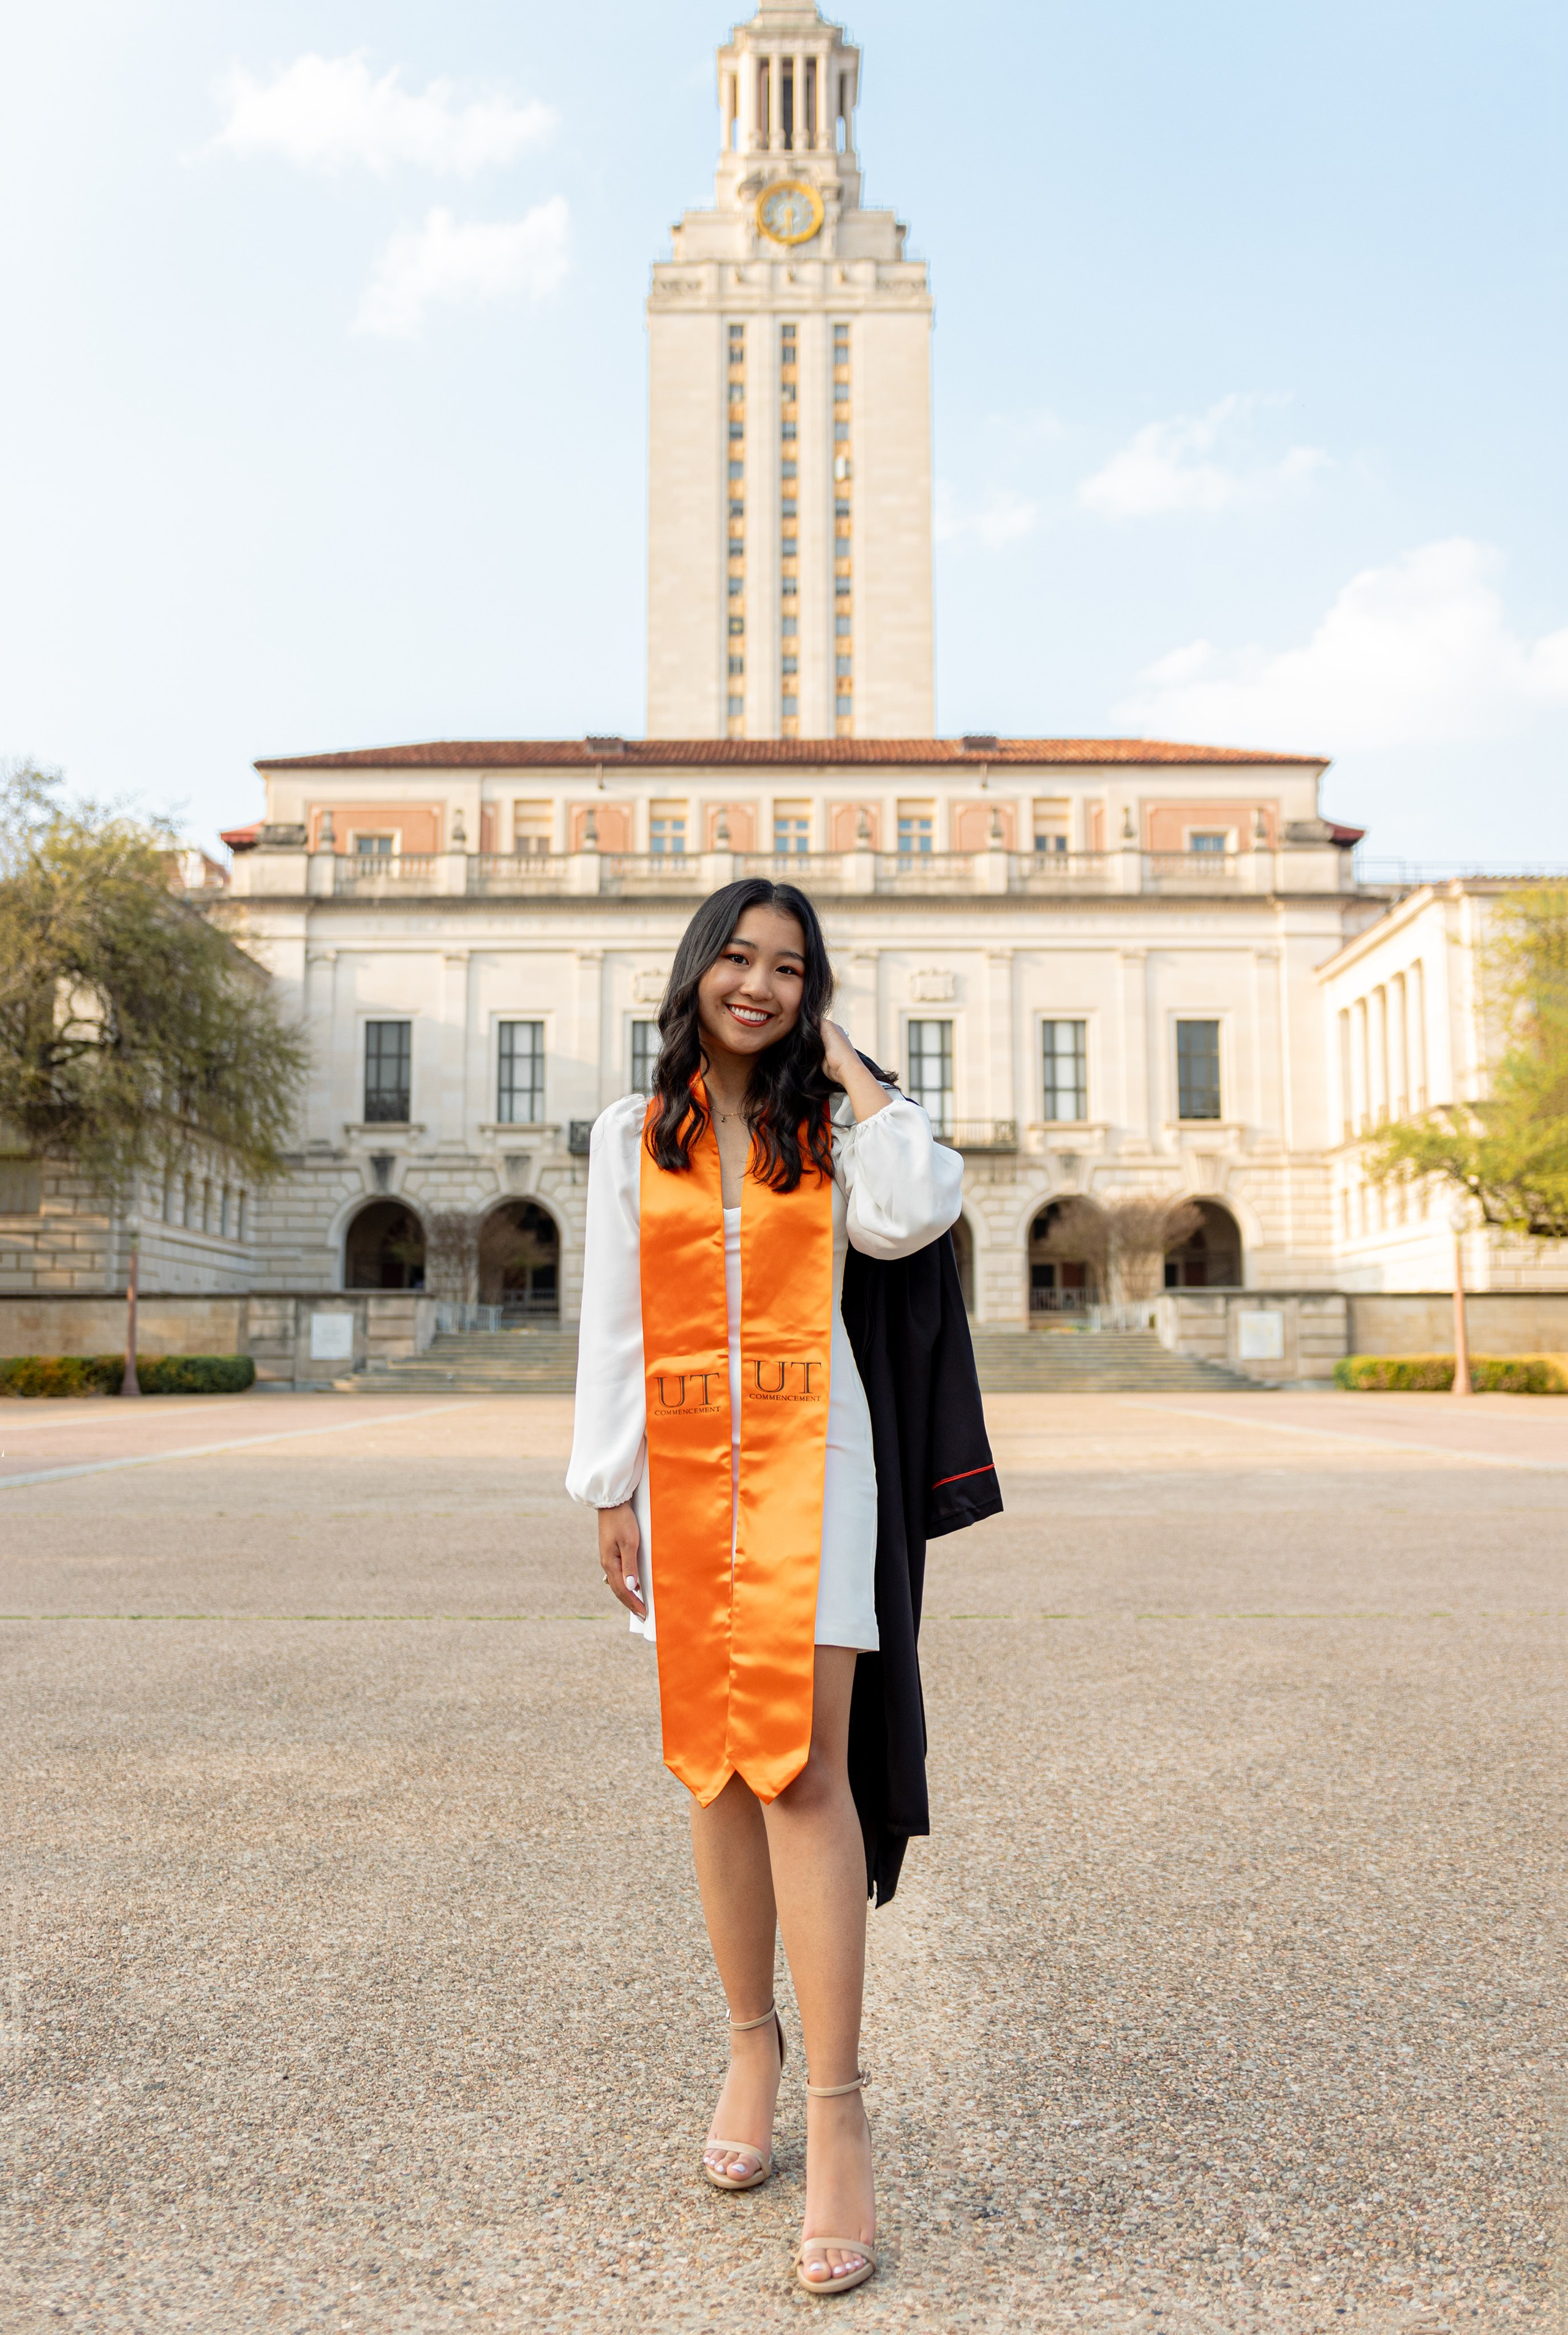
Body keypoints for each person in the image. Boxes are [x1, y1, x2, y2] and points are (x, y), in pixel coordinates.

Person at [566, 877, 978, 2298]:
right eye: (736, 957)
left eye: (789, 968)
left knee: (799, 1769)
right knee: (711, 1770)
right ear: (696, 970)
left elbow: (916, 1211)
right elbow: (613, 1319)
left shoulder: (833, 1132)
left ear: (813, 992)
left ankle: (837, 2109)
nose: (757, 984)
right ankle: (751, 2044)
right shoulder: (634, 1132)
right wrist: (607, 1484)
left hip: (819, 1461)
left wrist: (853, 1068)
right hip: (683, 1469)